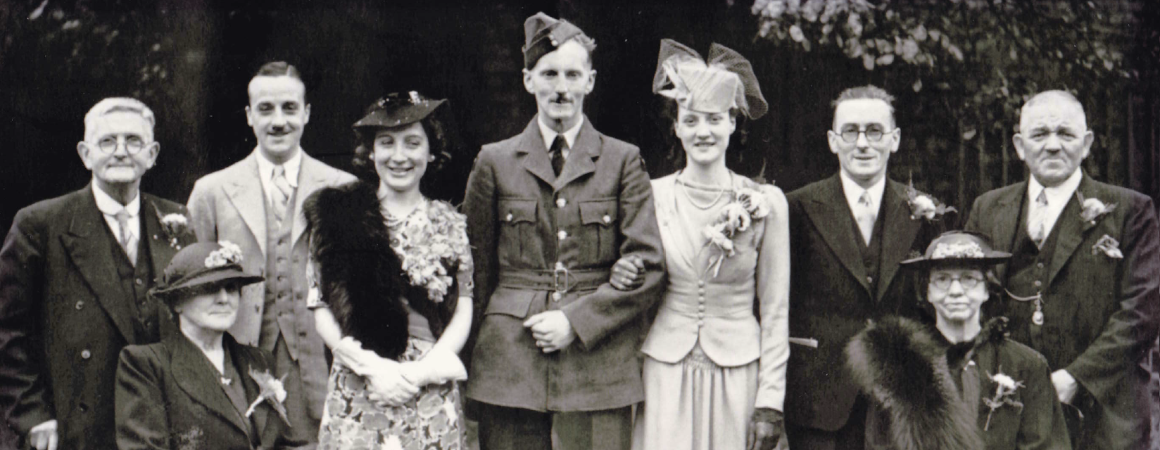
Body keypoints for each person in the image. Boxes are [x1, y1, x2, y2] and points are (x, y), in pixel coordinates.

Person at [462, 12, 665, 450]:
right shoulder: (494, 161)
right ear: (527, 80)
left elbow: (648, 266)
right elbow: (474, 269)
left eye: (573, 74)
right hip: (510, 361)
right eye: (549, 73)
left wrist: (575, 321)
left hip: (597, 362)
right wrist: (468, 357)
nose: (561, 87)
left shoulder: (622, 160)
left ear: (589, 82)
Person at [964, 90, 1159, 450]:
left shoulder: (1131, 211)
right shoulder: (988, 209)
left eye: (1065, 134)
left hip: (1105, 415)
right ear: (1020, 147)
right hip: (1012, 413)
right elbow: (974, 302)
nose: (1053, 145)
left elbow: (1142, 312)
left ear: (1086, 144)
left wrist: (1075, 378)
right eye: (1039, 135)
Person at [620, 38, 789, 450]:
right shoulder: (650, 195)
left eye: (714, 119)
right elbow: (631, 267)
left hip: (738, 372)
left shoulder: (766, 203)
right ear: (676, 126)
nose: (703, 131)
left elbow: (775, 309)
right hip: (665, 370)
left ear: (733, 123)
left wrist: (770, 401)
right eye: (691, 120)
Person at [0, 97, 195, 450]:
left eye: (133, 141)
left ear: (151, 154)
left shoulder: (177, 221)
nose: (121, 151)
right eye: (107, 141)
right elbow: (7, 331)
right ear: (85, 153)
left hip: (159, 421)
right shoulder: (40, 225)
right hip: (75, 422)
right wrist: (32, 415)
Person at [187, 61, 357, 443]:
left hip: (319, 370)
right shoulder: (212, 192)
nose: (278, 121)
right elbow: (189, 296)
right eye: (265, 109)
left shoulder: (342, 189)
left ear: (307, 113)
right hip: (236, 368)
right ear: (249, 116)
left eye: (289, 108)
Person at [303, 93, 473, 450]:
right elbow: (320, 308)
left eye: (413, 143)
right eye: (386, 144)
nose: (399, 156)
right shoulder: (340, 216)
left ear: (431, 152)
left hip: (428, 381)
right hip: (362, 380)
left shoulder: (449, 223)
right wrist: (374, 370)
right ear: (370, 153)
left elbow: (463, 309)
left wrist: (419, 373)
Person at [783, 85, 943, 450]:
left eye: (874, 131)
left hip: (898, 400)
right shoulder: (798, 207)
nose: (863, 143)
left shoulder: (924, 212)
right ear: (832, 140)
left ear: (895, 139)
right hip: (819, 402)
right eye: (850, 131)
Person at [846, 231, 1071, 450]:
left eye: (968, 279)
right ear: (928, 293)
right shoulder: (899, 366)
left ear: (986, 290)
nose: (955, 291)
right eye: (942, 279)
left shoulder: (1027, 365)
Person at [116, 241, 301, 449]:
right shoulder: (147, 365)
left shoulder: (259, 360)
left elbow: (287, 443)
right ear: (176, 303)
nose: (224, 299)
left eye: (231, 288)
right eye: (209, 288)